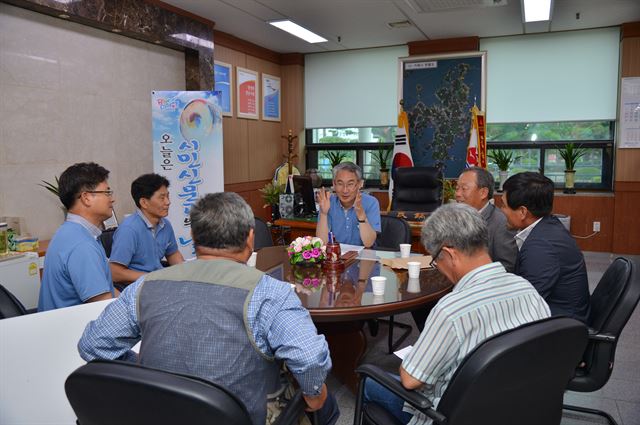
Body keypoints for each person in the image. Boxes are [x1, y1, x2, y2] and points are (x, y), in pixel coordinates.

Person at [78, 192, 339, 425]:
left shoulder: (146, 285)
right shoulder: (270, 292)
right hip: (244, 415)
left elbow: (93, 344)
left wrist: (143, 370)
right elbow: (309, 359)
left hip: (160, 413)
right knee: (327, 403)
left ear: (193, 238)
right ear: (250, 237)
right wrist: (314, 393)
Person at [363, 203, 550, 425]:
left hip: (453, 415)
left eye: (435, 259)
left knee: (368, 381)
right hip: (518, 408)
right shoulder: (527, 290)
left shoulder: (452, 309)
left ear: (449, 254)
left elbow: (411, 380)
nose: (438, 266)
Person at [501, 172, 591, 323]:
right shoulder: (548, 225)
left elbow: (526, 303)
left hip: (560, 329)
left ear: (523, 212)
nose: (501, 210)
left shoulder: (541, 247)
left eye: (503, 205)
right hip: (559, 317)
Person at [38, 162, 118, 311]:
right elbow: (104, 309)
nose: (112, 199)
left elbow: (108, 291)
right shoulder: (82, 245)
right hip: (75, 331)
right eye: (107, 192)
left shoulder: (70, 232)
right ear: (86, 198)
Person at [109, 173, 184, 285]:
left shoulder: (165, 224)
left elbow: (172, 254)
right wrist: (153, 277)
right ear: (144, 202)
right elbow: (115, 273)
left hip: (157, 283)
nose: (168, 202)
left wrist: (186, 273)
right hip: (136, 287)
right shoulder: (129, 229)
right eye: (162, 198)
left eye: (168, 196)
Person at [455, 167, 517, 272]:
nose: (457, 194)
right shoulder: (456, 216)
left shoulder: (501, 222)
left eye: (464, 189)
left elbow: (506, 266)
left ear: (483, 193)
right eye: (457, 188)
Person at [316, 162, 381, 247]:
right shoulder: (327, 202)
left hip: (364, 256)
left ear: (359, 184)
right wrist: (324, 213)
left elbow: (368, 243)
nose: (345, 190)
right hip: (337, 256)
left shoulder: (371, 202)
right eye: (340, 184)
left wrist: (361, 216)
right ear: (334, 184)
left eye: (350, 184)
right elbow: (322, 243)